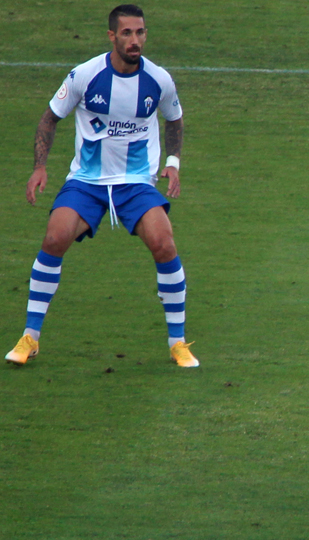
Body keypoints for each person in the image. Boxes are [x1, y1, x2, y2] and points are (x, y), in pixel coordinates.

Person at [4, 4, 199, 368]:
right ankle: (30, 337)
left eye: (140, 32)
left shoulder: (158, 80)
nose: (135, 40)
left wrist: (172, 164)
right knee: (54, 237)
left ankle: (178, 343)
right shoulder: (85, 75)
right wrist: (40, 167)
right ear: (112, 36)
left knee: (164, 243)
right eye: (127, 33)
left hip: (135, 182)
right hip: (88, 182)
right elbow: (50, 117)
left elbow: (174, 119)